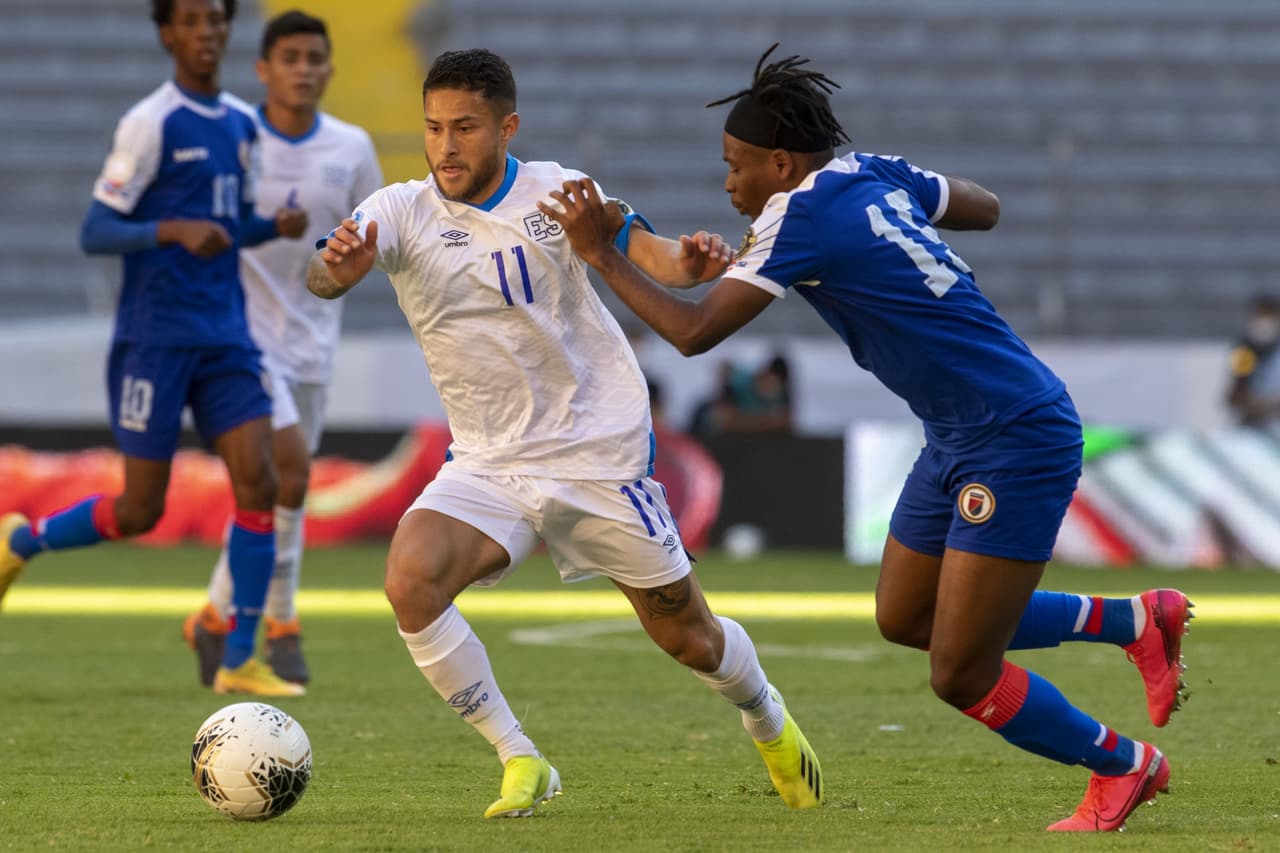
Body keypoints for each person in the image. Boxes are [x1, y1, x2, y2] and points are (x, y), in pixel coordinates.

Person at [540, 45, 1195, 832]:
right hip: (957, 432)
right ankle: (1134, 622)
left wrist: (598, 251)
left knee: (960, 671)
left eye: (736, 167)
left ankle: (1122, 764)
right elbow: (984, 207)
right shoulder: (872, 172)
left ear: (780, 164)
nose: (728, 184)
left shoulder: (798, 217)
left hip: (1014, 435)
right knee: (905, 616)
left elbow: (691, 332)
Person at [308, 48, 823, 818]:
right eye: (434, 128)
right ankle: (520, 756)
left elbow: (649, 254)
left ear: (507, 128)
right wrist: (335, 270)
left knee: (689, 637)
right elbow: (324, 272)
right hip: (490, 462)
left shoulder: (560, 192)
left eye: (465, 128)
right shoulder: (400, 210)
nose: (446, 146)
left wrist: (688, 263)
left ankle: (766, 716)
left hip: (597, 454)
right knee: (410, 580)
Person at [0, 0, 307, 698]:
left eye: (216, 19)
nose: (207, 32)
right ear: (168, 33)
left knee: (260, 481)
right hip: (155, 340)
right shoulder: (150, 122)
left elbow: (228, 226)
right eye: (191, 21)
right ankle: (21, 541)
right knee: (140, 511)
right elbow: (95, 230)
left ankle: (239, 655)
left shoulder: (242, 124)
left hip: (226, 337)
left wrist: (272, 226)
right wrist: (170, 229)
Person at [182, 9, 384, 688]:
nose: (303, 70)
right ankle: (283, 621)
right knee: (289, 475)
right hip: (241, 339)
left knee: (272, 488)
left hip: (313, 343)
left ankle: (213, 614)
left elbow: (379, 235)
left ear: (329, 69)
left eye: (314, 58)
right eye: (290, 58)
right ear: (263, 69)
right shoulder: (235, 136)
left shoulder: (352, 147)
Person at [1226, 294, 1280, 429]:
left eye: (1270, 317)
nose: (1265, 324)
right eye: (1260, 317)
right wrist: (1259, 405)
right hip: (1254, 427)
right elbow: (1234, 396)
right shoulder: (1244, 351)